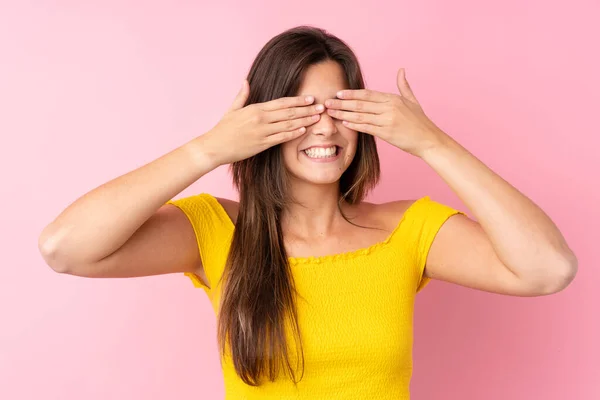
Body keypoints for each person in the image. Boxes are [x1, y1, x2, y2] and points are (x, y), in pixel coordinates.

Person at [38, 25, 578, 399]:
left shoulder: (408, 231)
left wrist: (433, 144)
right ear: (262, 123)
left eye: (340, 108)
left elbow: (548, 268)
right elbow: (65, 248)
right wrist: (207, 149)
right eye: (300, 110)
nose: (324, 128)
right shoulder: (217, 230)